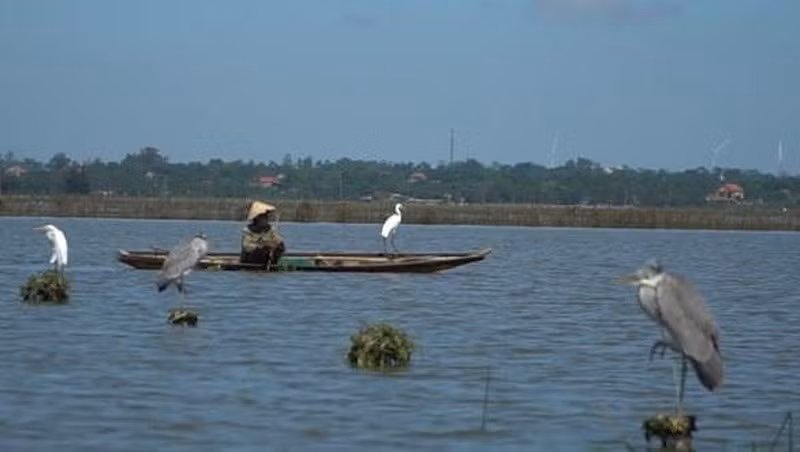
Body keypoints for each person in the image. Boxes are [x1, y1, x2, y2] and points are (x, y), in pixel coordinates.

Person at [240, 200, 286, 270]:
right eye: (263, 217)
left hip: (268, 259)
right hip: (252, 259)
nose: (266, 219)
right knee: (262, 250)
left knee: (279, 247)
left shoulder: (270, 230)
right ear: (257, 219)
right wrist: (260, 246)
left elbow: (278, 241)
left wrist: (276, 244)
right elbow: (247, 246)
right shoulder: (248, 231)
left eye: (266, 217)